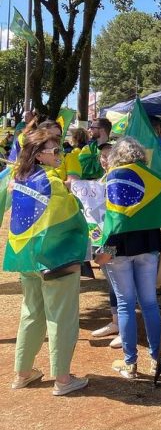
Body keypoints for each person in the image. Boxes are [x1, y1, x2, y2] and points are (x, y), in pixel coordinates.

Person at [4, 129, 89, 395]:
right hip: (55, 258)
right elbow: (74, 217)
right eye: (55, 151)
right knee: (61, 317)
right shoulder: (52, 183)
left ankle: (22, 373)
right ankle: (63, 380)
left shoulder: (17, 179)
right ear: (39, 154)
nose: (60, 155)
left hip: (25, 258)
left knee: (31, 314)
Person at [94, 138, 161, 379]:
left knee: (125, 304)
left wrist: (106, 252)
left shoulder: (114, 177)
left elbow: (116, 221)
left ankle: (130, 363)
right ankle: (157, 359)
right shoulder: (154, 178)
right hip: (149, 245)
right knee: (150, 303)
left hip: (119, 250)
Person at [91, 142, 123, 349]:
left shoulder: (120, 179)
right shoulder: (101, 180)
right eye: (102, 156)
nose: (104, 159)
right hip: (100, 240)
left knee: (120, 283)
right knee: (111, 281)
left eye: (108, 155)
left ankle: (124, 327)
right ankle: (116, 323)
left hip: (116, 242)